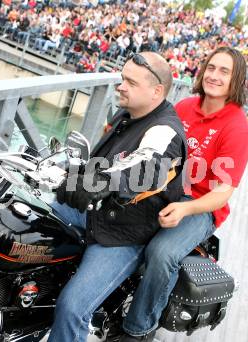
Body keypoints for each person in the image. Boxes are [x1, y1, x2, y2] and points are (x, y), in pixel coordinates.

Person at [118, 46, 248, 341]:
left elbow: (222, 193)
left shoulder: (238, 129)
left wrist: (184, 209)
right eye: (211, 67)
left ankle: (140, 329)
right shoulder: (183, 107)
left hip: (200, 206)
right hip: (164, 187)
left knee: (162, 253)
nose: (214, 76)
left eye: (224, 71)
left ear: (236, 80)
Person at [48, 52, 187, 342]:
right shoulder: (126, 115)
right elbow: (101, 162)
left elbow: (148, 166)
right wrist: (71, 178)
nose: (120, 86)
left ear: (156, 91)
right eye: (122, 78)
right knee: (23, 221)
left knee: (72, 308)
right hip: (95, 211)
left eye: (130, 82)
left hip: (124, 231)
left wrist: (104, 182)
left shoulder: (165, 130)